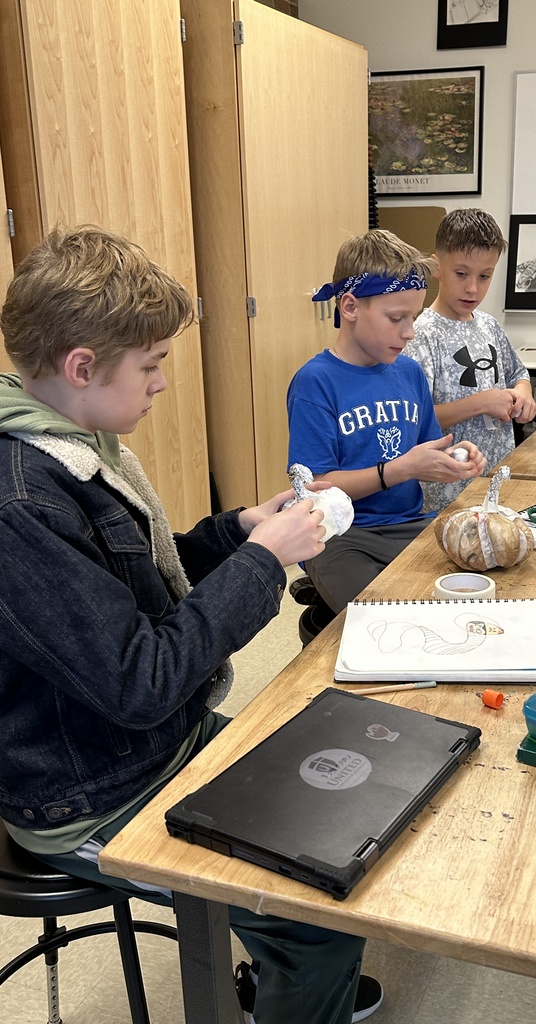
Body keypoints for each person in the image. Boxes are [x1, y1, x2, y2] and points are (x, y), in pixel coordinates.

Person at [0, 225, 383, 1024]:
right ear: (81, 367)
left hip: (141, 744)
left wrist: (238, 530)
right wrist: (264, 563)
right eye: (151, 365)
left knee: (341, 804)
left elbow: (132, 577)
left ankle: (287, 981)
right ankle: (296, 967)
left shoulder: (68, 442)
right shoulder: (21, 502)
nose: (162, 383)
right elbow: (142, 680)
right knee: (320, 912)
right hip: (90, 791)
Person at [286, 228, 486, 614]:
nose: (409, 332)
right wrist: (397, 470)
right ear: (349, 307)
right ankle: (325, 602)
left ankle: (327, 601)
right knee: (386, 620)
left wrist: (456, 456)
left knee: (474, 592)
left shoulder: (408, 373)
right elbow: (313, 488)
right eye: (396, 318)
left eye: (413, 317)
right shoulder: (315, 382)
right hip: (345, 536)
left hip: (411, 524)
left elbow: (427, 451)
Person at [403, 208, 536, 514]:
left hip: (499, 483)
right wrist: (481, 403)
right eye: (461, 274)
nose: (473, 288)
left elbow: (519, 371)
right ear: (437, 266)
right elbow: (416, 420)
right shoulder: (422, 335)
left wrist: (524, 392)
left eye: (485, 276)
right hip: (448, 497)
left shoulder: (488, 325)